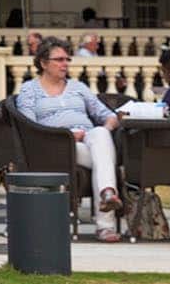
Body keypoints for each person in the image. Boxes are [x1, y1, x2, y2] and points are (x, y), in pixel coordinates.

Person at [13, 36, 123, 242]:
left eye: (67, 59)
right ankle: (105, 223)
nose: (65, 64)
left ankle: (108, 193)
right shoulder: (30, 89)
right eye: (59, 59)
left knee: (100, 134)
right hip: (55, 145)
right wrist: (66, 136)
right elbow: (30, 126)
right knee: (105, 159)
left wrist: (106, 129)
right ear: (44, 63)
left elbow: (108, 115)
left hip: (89, 140)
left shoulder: (78, 87)